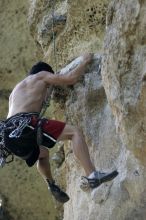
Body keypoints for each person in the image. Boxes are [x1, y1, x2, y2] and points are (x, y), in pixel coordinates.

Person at [4, 53, 118, 203]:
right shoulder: (41, 76)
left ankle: (51, 183)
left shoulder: (16, 91)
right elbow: (71, 78)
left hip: (9, 135)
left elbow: (23, 109)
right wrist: (85, 61)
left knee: (42, 153)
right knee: (74, 132)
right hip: (26, 124)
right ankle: (92, 175)